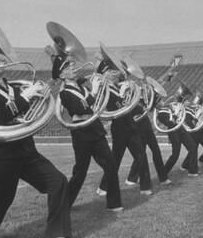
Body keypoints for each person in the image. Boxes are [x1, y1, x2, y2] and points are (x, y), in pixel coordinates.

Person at [0, 29, 78, 238]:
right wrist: (26, 96)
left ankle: (56, 236)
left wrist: (40, 92)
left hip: (26, 152)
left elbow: (25, 110)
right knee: (1, 201)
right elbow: (1, 116)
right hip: (1, 156)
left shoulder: (13, 87)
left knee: (58, 182)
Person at [52, 53, 124, 212]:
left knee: (111, 165)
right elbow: (81, 108)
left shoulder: (82, 87)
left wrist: (95, 88)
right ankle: (65, 203)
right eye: (67, 67)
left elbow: (92, 106)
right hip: (81, 132)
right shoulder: (64, 93)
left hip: (95, 129)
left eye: (71, 65)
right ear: (62, 74)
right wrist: (95, 91)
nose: (72, 66)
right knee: (80, 172)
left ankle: (114, 203)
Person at [97, 60, 153, 196]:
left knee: (141, 155)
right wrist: (123, 95)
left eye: (113, 71)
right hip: (119, 127)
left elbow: (127, 105)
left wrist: (129, 94)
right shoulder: (104, 88)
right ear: (103, 74)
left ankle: (145, 187)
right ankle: (103, 187)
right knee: (116, 159)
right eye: (110, 71)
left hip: (130, 124)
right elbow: (114, 106)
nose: (114, 73)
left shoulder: (116, 86)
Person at [126, 92, 172, 186]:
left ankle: (163, 178)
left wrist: (159, 101)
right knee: (141, 154)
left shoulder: (145, 99)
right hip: (138, 129)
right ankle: (131, 178)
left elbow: (157, 105)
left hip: (147, 128)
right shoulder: (131, 101)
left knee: (156, 152)